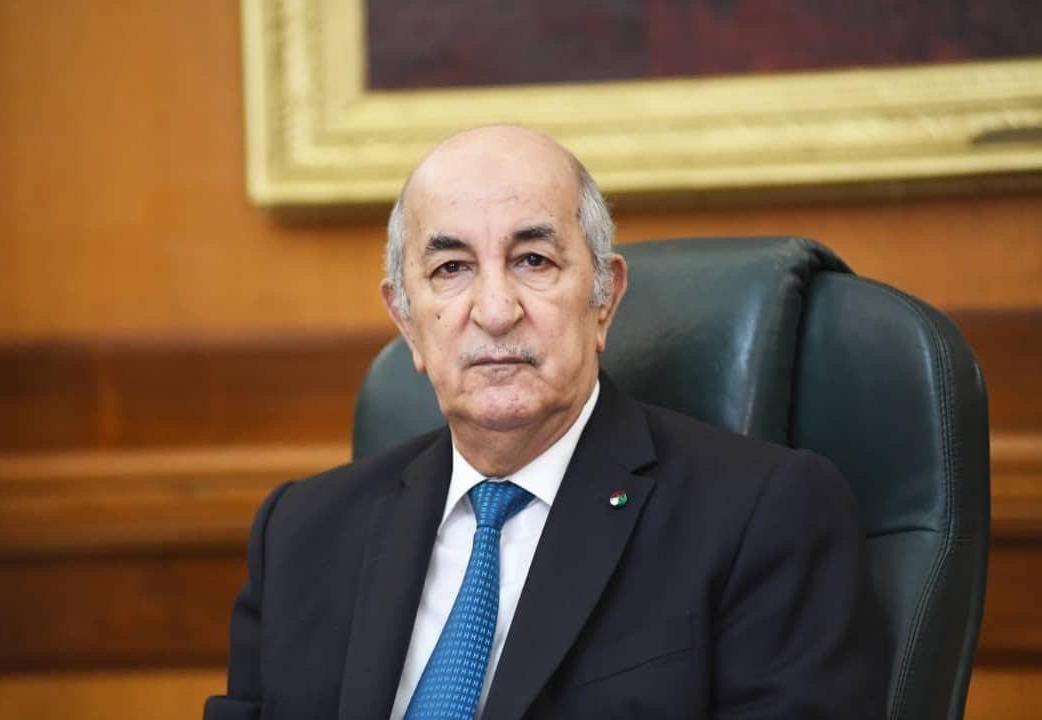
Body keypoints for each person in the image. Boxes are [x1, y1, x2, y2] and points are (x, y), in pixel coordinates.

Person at [204, 125, 887, 719]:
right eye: (451, 268)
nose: (495, 310)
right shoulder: (300, 534)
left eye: (533, 260)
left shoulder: (763, 514)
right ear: (407, 322)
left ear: (604, 300)